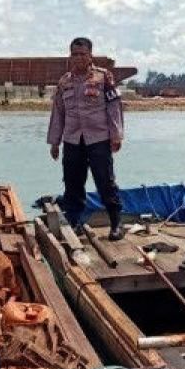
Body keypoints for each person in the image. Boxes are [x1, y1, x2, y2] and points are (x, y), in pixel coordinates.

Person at [47, 37, 125, 240]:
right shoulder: (64, 82)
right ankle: (75, 222)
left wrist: (116, 135)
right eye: (75, 54)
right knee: (73, 182)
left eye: (83, 54)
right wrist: (55, 142)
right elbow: (58, 113)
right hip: (73, 140)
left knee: (105, 182)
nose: (79, 58)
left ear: (90, 55)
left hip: (98, 138)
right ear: (70, 56)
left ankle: (116, 224)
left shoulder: (103, 77)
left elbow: (114, 107)